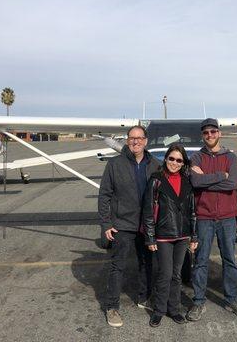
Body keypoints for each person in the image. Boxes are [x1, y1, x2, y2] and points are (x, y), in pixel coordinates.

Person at [186, 118, 237, 321]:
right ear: (202, 136)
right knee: (201, 260)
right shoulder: (196, 157)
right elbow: (195, 182)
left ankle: (232, 299)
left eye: (213, 131)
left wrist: (207, 179)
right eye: (206, 133)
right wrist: (221, 175)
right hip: (204, 217)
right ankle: (198, 301)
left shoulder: (230, 157)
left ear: (219, 133)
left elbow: (232, 184)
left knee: (229, 260)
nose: (210, 135)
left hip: (228, 217)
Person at [98, 125, 160, 328]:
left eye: (139, 138)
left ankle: (144, 297)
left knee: (147, 264)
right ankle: (112, 306)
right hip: (122, 224)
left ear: (146, 141)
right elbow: (105, 195)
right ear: (127, 141)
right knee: (118, 266)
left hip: (147, 225)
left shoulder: (155, 165)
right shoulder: (115, 164)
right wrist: (106, 222)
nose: (136, 141)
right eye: (132, 138)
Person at [143, 143, 198, 327]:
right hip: (163, 235)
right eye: (171, 158)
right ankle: (159, 310)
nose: (174, 162)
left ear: (183, 163)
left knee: (176, 275)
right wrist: (150, 237)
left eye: (179, 160)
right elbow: (148, 210)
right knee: (165, 274)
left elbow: (192, 211)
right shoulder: (156, 180)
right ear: (166, 159)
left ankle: (174, 309)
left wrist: (194, 236)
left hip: (182, 236)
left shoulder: (187, 182)